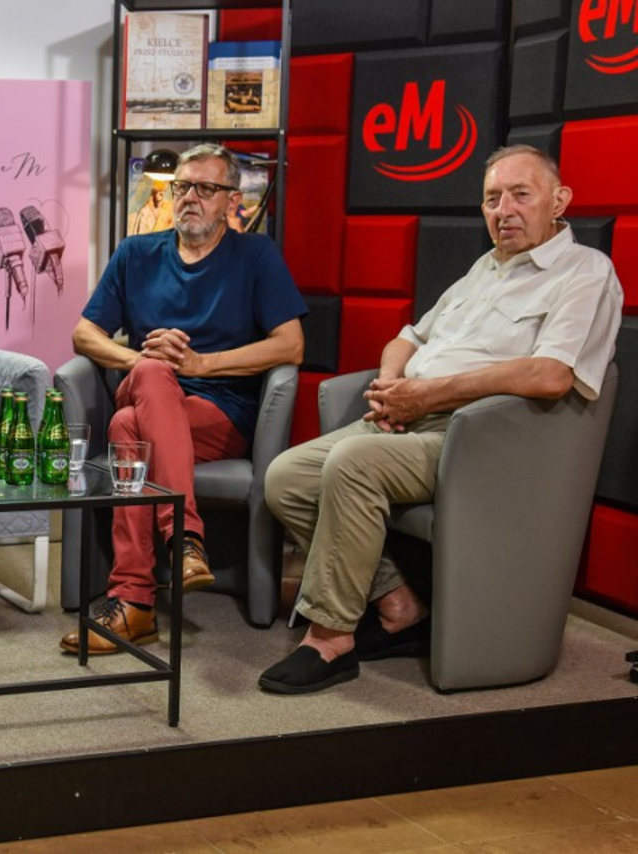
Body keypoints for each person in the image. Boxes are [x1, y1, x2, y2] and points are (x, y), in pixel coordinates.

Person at [260, 145, 623, 695]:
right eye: (492, 199)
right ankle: (398, 603)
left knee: (353, 463)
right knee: (286, 478)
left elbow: (551, 375)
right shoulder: (485, 268)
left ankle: (330, 638)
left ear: (559, 200)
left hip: (479, 440)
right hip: (411, 417)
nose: (504, 210)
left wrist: (428, 394)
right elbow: (407, 337)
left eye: (520, 195)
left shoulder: (586, 272)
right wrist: (391, 388)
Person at [61, 143, 307, 655]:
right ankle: (186, 540)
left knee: (126, 429)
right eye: (182, 186)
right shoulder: (136, 253)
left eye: (206, 188)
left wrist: (198, 365)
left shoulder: (256, 255)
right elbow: (85, 334)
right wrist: (139, 360)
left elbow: (291, 345)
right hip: (146, 384)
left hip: (219, 412)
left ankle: (134, 603)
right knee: (151, 376)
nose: (190, 197)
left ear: (232, 201)